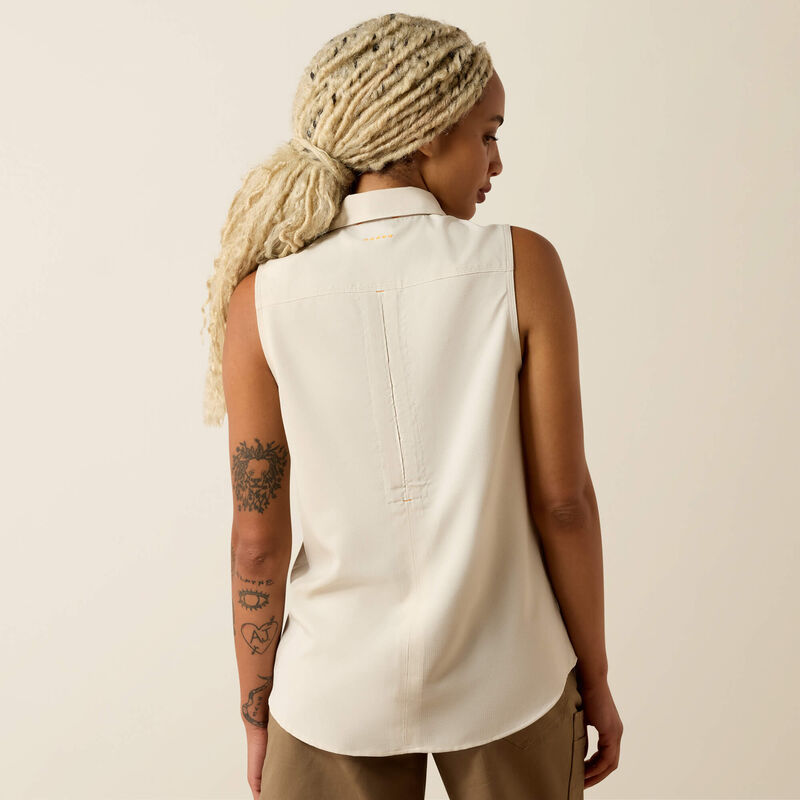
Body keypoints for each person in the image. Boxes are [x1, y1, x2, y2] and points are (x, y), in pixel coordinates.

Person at [200, 12, 622, 800]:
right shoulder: (522, 265)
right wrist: (595, 680)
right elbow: (563, 503)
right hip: (514, 680)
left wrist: (257, 716)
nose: (497, 161)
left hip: (330, 695)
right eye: (487, 134)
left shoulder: (259, 301)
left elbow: (257, 543)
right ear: (427, 133)